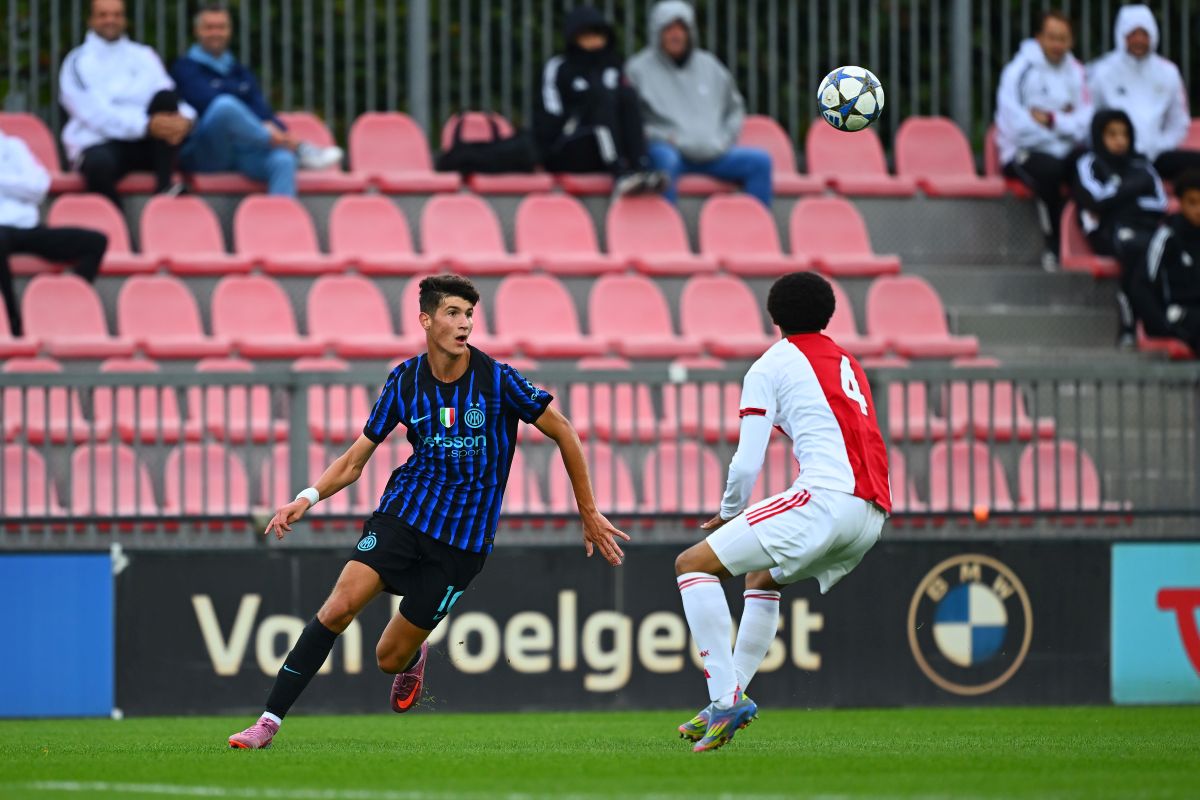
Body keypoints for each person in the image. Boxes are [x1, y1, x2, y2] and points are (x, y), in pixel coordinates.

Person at [227, 274, 631, 750]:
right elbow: (356, 460)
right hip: (404, 516)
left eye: (469, 315)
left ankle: (412, 658)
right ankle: (268, 722)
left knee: (388, 658)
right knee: (337, 609)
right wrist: (307, 497)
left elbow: (564, 431)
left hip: (462, 544)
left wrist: (588, 512)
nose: (465, 324)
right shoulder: (404, 380)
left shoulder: (497, 379)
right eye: (453, 313)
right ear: (426, 320)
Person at [671, 272, 890, 753]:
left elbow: (747, 461)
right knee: (762, 578)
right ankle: (727, 699)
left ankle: (725, 699)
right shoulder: (847, 362)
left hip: (826, 499)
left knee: (692, 565)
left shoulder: (770, 364)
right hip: (872, 513)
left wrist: (729, 511)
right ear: (828, 314)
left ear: (773, 316)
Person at [171, 2, 343, 196]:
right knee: (224, 106)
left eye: (221, 27)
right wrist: (271, 134)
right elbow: (208, 103)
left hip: (243, 151)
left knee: (283, 161)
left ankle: (282, 215)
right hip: (204, 153)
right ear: (197, 31)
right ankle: (299, 149)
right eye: (209, 27)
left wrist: (282, 132)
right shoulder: (185, 68)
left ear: (230, 30)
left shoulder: (239, 71)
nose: (216, 33)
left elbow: (264, 111)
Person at [625, 0, 773, 208]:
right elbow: (629, 118)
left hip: (714, 153)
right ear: (656, 32)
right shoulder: (637, 70)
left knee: (760, 162)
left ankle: (757, 226)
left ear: (690, 32)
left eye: (681, 28)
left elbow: (735, 110)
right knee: (666, 161)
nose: (675, 35)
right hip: (670, 151)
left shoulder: (711, 66)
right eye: (668, 29)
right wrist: (661, 136)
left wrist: (723, 140)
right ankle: (666, 227)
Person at [60, 0, 194, 208]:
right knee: (98, 166)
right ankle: (117, 223)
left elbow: (168, 92)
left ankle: (165, 187)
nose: (110, 20)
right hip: (100, 143)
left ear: (125, 19)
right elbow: (95, 114)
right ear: (91, 20)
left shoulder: (144, 55)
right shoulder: (77, 61)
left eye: (117, 14)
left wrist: (185, 120)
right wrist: (145, 125)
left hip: (147, 144)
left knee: (165, 98)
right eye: (103, 15)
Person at [994, 10, 1092, 271]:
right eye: (1052, 37)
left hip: (1065, 150)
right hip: (1022, 152)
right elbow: (1016, 127)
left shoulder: (1077, 72)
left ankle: (1091, 238)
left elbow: (1086, 123)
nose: (1057, 44)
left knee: (1089, 166)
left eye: (1063, 38)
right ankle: (1054, 243)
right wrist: (1063, 128)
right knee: (1051, 171)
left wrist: (1051, 120)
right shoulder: (1018, 71)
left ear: (1071, 41)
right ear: (1039, 38)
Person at [534, 5, 666, 196]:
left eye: (598, 35)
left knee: (627, 96)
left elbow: (628, 110)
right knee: (601, 101)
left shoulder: (614, 67)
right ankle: (619, 174)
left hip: (608, 147)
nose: (594, 41)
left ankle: (640, 167)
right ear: (574, 37)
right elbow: (549, 117)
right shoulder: (559, 68)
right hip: (569, 147)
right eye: (586, 35)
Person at [1072, 109, 1168, 347]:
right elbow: (1094, 200)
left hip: (1145, 229)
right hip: (1107, 232)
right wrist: (1133, 189)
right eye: (1112, 134)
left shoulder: (1142, 164)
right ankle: (1136, 323)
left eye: (1124, 134)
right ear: (1099, 135)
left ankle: (1154, 320)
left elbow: (1159, 204)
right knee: (1136, 250)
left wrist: (1118, 196)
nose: (1120, 140)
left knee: (1163, 249)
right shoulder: (1089, 163)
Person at [0, 129, 108, 337]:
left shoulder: (14, 146)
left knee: (96, 242)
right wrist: (17, 184)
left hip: (27, 227)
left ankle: (64, 305)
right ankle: (11, 322)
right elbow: (30, 187)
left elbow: (39, 187)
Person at [1088, 4, 1200, 183]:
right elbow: (1090, 118)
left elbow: (1179, 122)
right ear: (1121, 36)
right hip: (1117, 156)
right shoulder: (1102, 72)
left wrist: (1159, 145)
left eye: (1144, 34)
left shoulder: (1168, 72)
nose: (1139, 40)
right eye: (1133, 34)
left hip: (1159, 154)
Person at [1141, 171, 1200, 354]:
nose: (1198, 210)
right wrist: (1161, 323)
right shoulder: (1167, 237)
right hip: (1176, 312)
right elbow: (1145, 283)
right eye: (1192, 203)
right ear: (1180, 203)